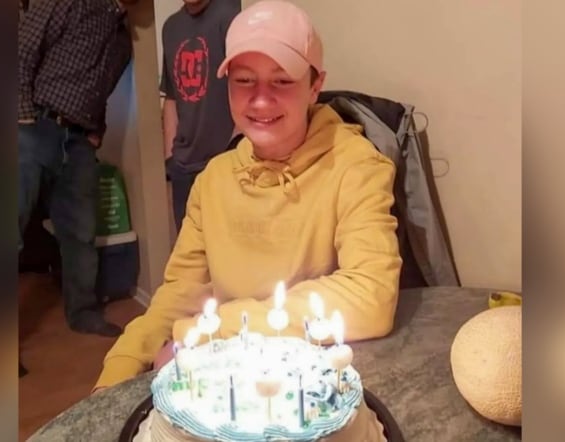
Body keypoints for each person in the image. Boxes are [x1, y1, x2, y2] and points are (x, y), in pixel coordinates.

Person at [94, 0, 401, 390]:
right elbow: (179, 294)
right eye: (243, 80)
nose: (260, 99)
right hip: (227, 386)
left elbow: (369, 296)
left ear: (315, 86)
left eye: (282, 81)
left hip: (317, 393)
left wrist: (212, 328)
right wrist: (118, 369)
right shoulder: (214, 180)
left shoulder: (356, 166)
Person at [17, 0, 137, 336]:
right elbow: (21, 50)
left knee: (81, 232)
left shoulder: (123, 41)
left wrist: (97, 132)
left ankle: (83, 312)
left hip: (79, 141)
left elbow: (99, 91)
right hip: (32, 125)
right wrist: (23, 117)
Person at [160, 0, 241, 233]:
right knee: (190, 259)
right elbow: (172, 97)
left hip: (226, 164)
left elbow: (247, 88)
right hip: (183, 169)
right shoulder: (171, 27)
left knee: (229, 254)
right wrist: (170, 159)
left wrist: (235, 153)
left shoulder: (233, 15)